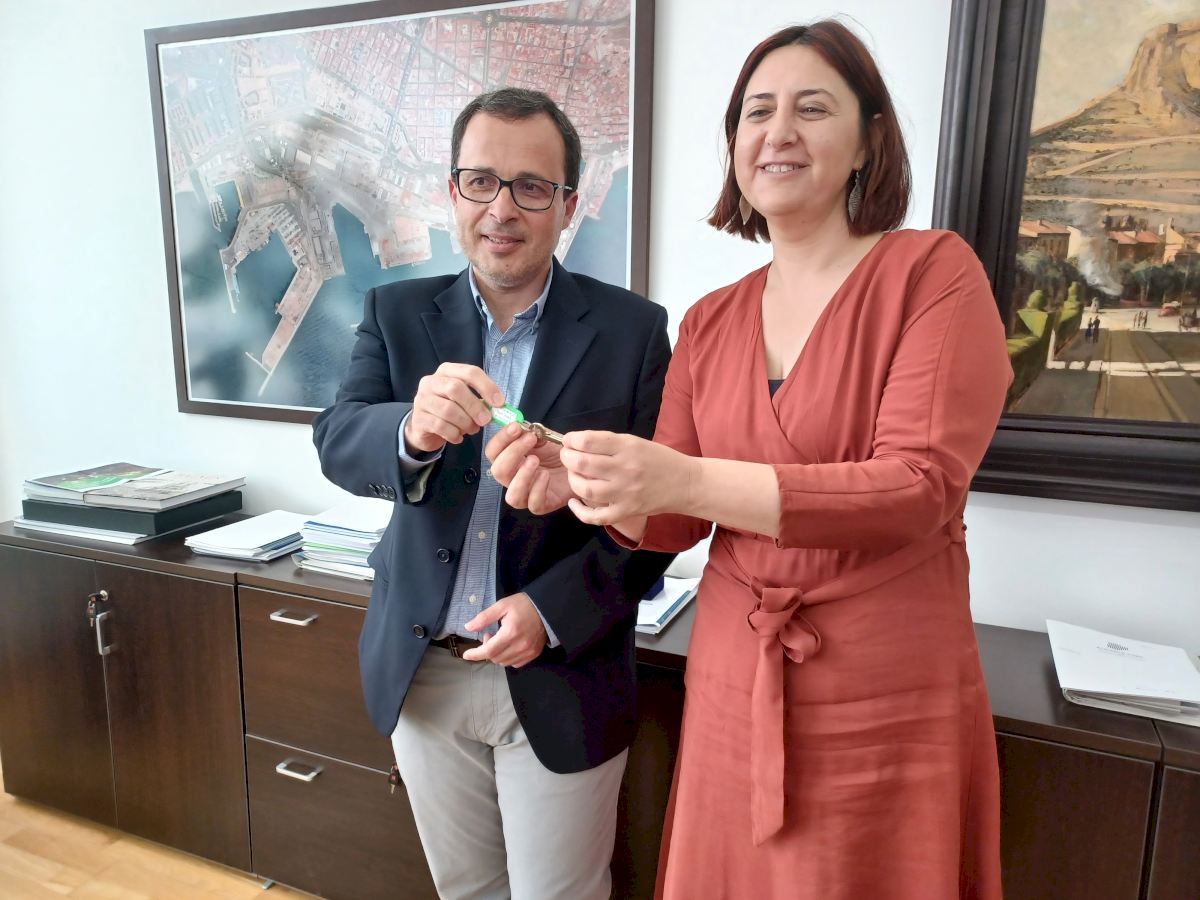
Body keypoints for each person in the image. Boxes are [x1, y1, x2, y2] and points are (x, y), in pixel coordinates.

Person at [488, 22, 1010, 899]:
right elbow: (674, 518)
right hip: (733, 675)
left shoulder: (933, 273)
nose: (779, 132)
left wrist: (684, 478)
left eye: (814, 108)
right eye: (757, 112)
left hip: (883, 688)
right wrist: (584, 480)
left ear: (869, 139)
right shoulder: (712, 318)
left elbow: (916, 488)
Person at [313, 87, 672, 900]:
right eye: (481, 181)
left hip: (563, 668)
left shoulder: (634, 332)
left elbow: (659, 522)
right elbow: (338, 440)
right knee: (466, 892)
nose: (502, 209)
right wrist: (412, 430)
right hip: (424, 670)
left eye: (531, 187)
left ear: (568, 206)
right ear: (453, 192)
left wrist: (550, 611)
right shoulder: (395, 312)